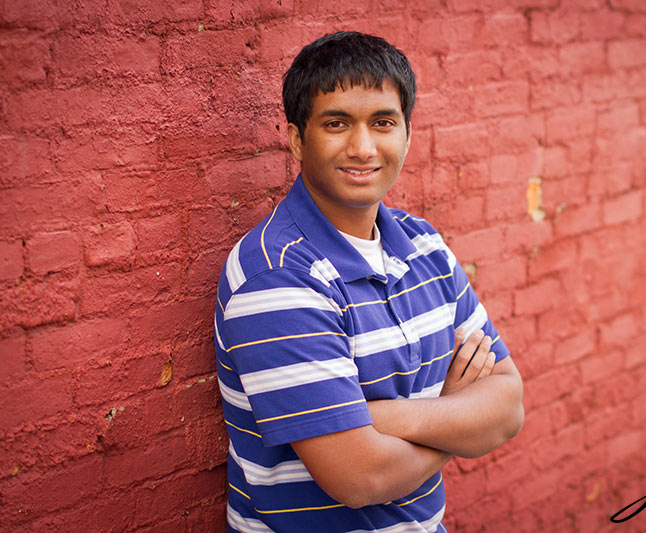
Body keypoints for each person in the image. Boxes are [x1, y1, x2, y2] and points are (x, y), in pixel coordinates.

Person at [214, 31, 524, 533]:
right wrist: (456, 417)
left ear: (407, 133)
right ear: (297, 138)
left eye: (383, 123)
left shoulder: (424, 245)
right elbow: (359, 476)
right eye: (337, 124)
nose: (363, 148)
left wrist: (383, 419)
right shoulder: (276, 277)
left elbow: (508, 406)